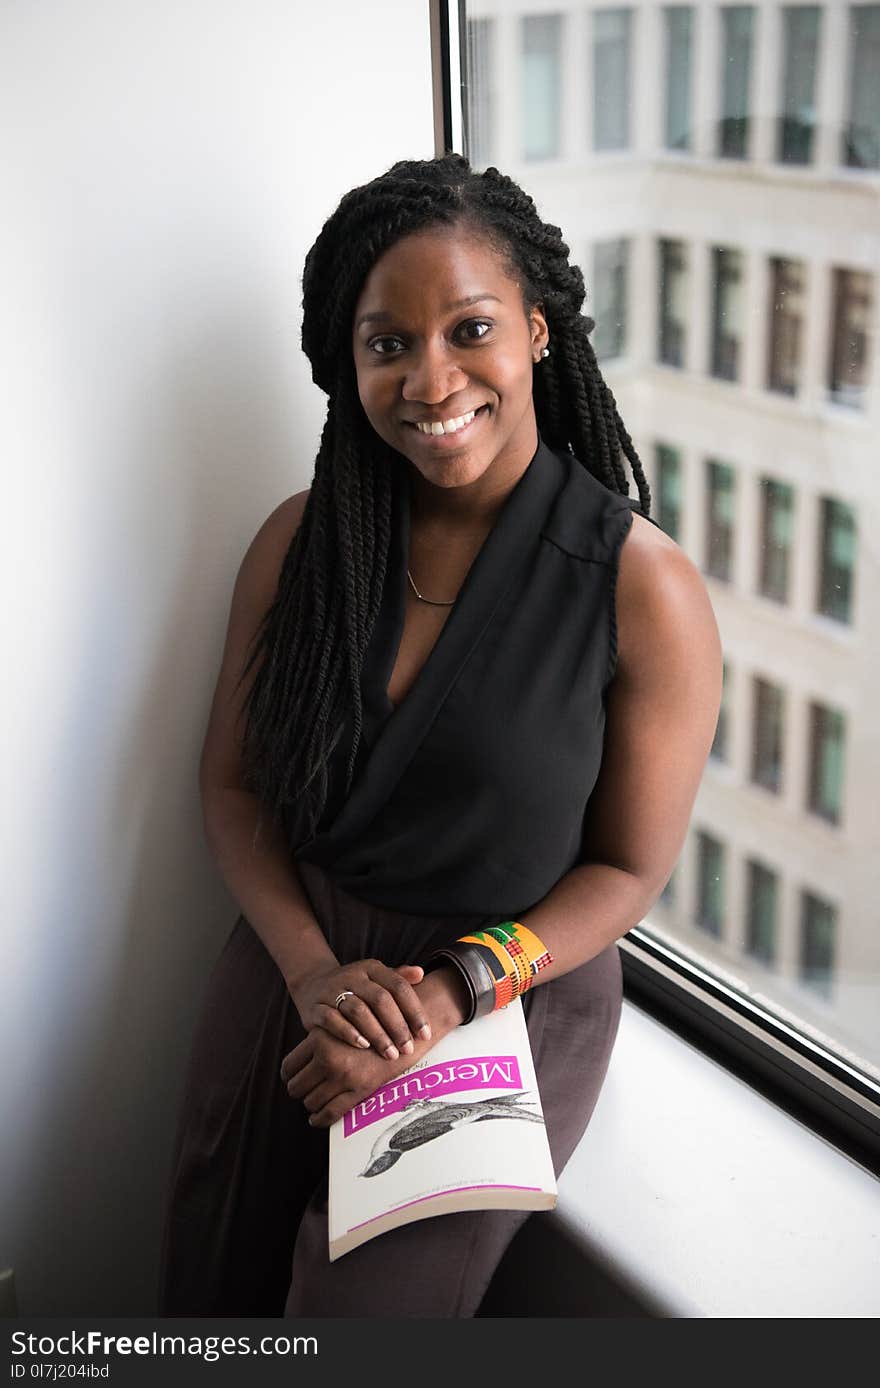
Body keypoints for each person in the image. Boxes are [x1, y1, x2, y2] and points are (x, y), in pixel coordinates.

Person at [157, 153, 722, 1318]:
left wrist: (448, 993)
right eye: (386, 344)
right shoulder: (301, 542)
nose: (431, 378)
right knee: (209, 1292)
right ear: (345, 363)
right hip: (299, 961)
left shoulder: (641, 585)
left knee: (367, 1314)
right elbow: (233, 791)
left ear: (537, 330)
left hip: (500, 991)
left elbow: (627, 868)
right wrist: (315, 975)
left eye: (469, 329)